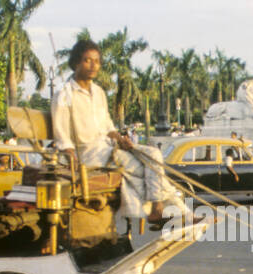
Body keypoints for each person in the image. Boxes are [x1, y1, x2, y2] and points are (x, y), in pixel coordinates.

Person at [52, 39, 185, 226]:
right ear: (75, 63)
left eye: (97, 61)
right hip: (89, 154)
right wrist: (70, 155)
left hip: (109, 148)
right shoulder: (64, 95)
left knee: (154, 155)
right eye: (87, 60)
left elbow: (108, 127)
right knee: (147, 169)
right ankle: (174, 211)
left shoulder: (98, 92)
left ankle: (159, 209)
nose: (93, 66)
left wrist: (121, 139)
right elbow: (61, 134)